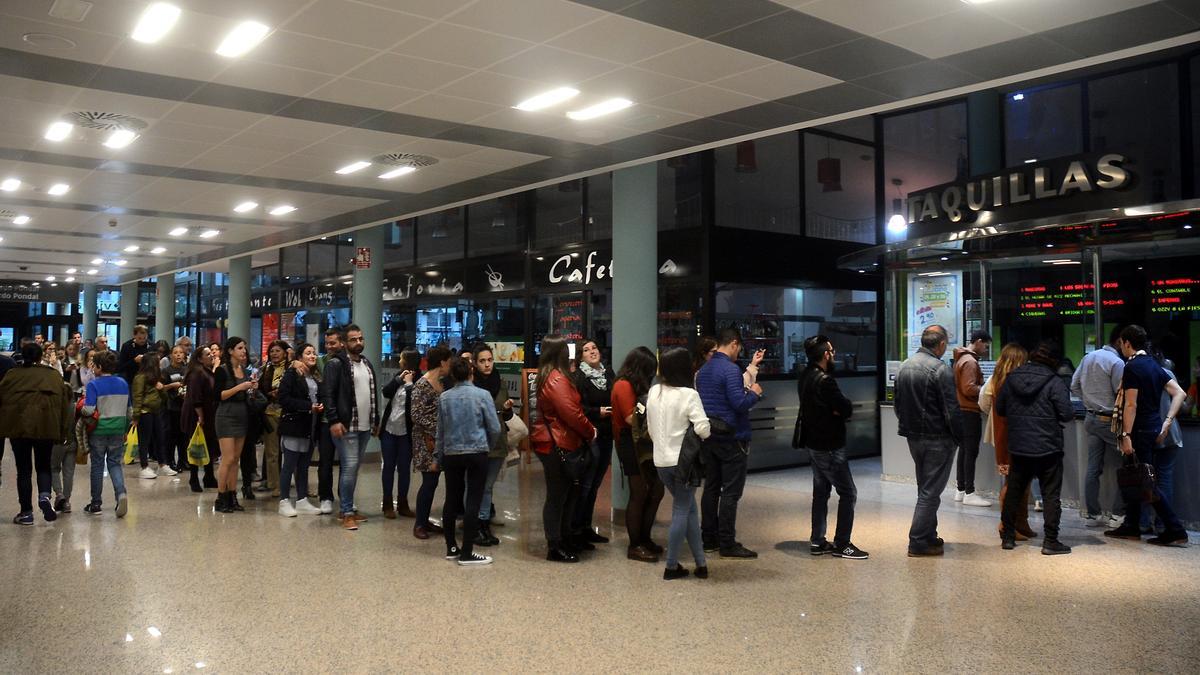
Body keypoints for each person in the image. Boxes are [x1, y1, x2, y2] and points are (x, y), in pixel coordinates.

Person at [1105, 325, 1189, 546]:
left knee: (1146, 481)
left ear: (1127, 343)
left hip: (1138, 430)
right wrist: (1167, 422)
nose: (1121, 347)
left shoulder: (1132, 367)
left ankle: (1175, 529)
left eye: (1122, 343)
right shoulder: (1153, 364)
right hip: (1152, 429)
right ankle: (1131, 525)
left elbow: (1130, 405)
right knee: (1135, 475)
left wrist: (1125, 435)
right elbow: (1180, 392)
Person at [996, 341, 1074, 555]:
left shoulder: (1012, 378)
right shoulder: (1055, 382)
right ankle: (1050, 541)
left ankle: (1008, 537)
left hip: (1019, 446)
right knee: (1050, 495)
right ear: (1053, 361)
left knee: (1014, 491)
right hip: (1048, 447)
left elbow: (1000, 408)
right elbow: (1066, 414)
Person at [894, 325, 964, 557]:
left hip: (913, 437)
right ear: (942, 344)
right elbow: (951, 410)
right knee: (930, 492)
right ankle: (918, 542)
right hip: (938, 438)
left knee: (925, 488)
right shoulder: (940, 369)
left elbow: (898, 405)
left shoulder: (904, 366)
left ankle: (929, 535)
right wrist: (959, 437)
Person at [797, 335, 867, 560]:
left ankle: (817, 541)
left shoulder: (806, 376)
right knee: (848, 492)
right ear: (826, 355)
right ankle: (842, 544)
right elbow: (845, 408)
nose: (834, 354)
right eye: (832, 350)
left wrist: (835, 409)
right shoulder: (826, 381)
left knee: (821, 492)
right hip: (830, 445)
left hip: (814, 444)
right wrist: (838, 409)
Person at [696, 327, 762, 559]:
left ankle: (709, 538)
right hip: (733, 439)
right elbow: (739, 404)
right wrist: (754, 392)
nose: (738, 352)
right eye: (739, 348)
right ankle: (727, 542)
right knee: (731, 492)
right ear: (733, 344)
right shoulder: (731, 369)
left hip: (710, 437)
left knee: (711, 489)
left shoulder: (703, 370)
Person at [647, 347, 712, 580]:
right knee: (682, 510)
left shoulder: (654, 391)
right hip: (683, 463)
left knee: (689, 509)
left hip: (661, 461)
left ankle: (701, 563)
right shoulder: (688, 395)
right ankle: (671, 566)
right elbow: (703, 429)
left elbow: (652, 430)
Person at [532, 335, 597, 563]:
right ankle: (555, 545)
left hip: (557, 442)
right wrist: (591, 431)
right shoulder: (556, 379)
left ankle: (563, 538)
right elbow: (571, 412)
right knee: (559, 496)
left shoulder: (549, 376)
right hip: (557, 443)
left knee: (565, 494)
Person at [435, 355, 501, 566]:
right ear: (472, 372)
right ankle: (467, 552)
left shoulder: (444, 397)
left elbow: (440, 432)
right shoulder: (483, 395)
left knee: (451, 499)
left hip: (452, 453)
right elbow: (495, 427)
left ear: (453, 375)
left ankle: (451, 547)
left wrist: (439, 455)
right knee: (473, 499)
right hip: (477, 452)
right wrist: (488, 445)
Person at [0, 342, 73, 524]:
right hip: (46, 427)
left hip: (19, 427)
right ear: (41, 356)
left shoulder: (12, 375)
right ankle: (44, 497)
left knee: (23, 470)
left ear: (22, 356)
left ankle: (26, 513)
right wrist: (63, 432)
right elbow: (64, 405)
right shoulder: (53, 376)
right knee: (43, 466)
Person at [322, 325, 379, 530]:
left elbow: (372, 394)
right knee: (349, 468)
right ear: (345, 343)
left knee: (353, 470)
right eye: (354, 339)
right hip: (347, 425)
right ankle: (347, 511)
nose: (359, 342)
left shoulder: (366, 363)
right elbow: (327, 394)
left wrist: (375, 421)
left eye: (361, 338)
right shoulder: (336, 364)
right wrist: (334, 420)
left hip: (364, 425)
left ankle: (348, 508)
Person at [612, 346, 665, 563]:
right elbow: (629, 419)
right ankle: (635, 544)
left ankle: (644, 538)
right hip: (629, 443)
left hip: (640, 444)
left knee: (653, 491)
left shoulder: (633, 386)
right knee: (639, 493)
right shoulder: (623, 385)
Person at [1070, 324, 1126, 528]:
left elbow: (1073, 385)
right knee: (1128, 464)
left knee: (1093, 468)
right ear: (1120, 341)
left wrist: (1089, 401)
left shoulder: (1088, 357)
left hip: (1090, 418)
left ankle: (1092, 514)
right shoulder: (1117, 362)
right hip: (1109, 420)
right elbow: (1122, 395)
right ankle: (1117, 514)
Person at [979, 343, 1035, 540]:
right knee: (1014, 483)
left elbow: (983, 403)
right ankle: (1006, 524)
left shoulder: (995, 380)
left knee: (1019, 481)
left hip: (1003, 435)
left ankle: (1021, 522)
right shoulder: (1015, 382)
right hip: (1015, 436)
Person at [570, 338, 614, 548]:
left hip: (607, 434)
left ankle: (587, 527)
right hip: (590, 436)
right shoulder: (579, 377)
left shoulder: (608, 374)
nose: (592, 352)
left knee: (595, 485)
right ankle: (576, 530)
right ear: (581, 357)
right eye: (586, 350)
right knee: (585, 485)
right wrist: (598, 412)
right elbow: (577, 408)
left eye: (594, 347)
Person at [81, 350, 131, 518]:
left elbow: (88, 410)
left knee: (97, 465)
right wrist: (125, 430)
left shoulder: (93, 385)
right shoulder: (123, 383)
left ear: (100, 367)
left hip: (99, 430)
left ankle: (96, 503)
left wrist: (79, 407)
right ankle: (121, 494)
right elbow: (129, 411)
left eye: (94, 365)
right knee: (115, 463)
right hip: (118, 428)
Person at [276, 342, 324, 517]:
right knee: (289, 464)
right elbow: (283, 398)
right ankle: (284, 500)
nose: (312, 356)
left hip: (309, 426)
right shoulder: (292, 374)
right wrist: (308, 406)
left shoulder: (316, 376)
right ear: (299, 357)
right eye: (308, 353)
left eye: (314, 353)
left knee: (304, 465)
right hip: (293, 425)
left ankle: (302, 499)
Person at [471, 343, 512, 546]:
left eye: (489, 360)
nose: (487, 365)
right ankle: (477, 523)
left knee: (487, 486)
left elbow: (507, 416)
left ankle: (483, 522)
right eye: (482, 361)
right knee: (479, 485)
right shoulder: (471, 385)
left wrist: (507, 409)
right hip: (478, 440)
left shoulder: (500, 381)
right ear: (475, 364)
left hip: (498, 440)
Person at [411, 346, 451, 538]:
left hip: (438, 441)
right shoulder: (422, 384)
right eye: (448, 361)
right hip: (426, 441)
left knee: (433, 482)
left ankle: (424, 519)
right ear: (442, 362)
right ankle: (419, 523)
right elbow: (416, 415)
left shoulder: (443, 384)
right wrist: (437, 429)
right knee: (428, 481)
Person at [213, 337, 255, 514]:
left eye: (244, 348)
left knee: (236, 459)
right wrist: (239, 388)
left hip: (241, 415)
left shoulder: (244, 370)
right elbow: (219, 395)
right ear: (230, 351)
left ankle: (232, 495)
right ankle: (220, 496)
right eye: (239, 348)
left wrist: (251, 388)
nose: (243, 351)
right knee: (228, 458)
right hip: (226, 416)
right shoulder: (222, 371)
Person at [1144, 349, 1183, 535]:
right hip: (1170, 435)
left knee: (1144, 479)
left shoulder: (1141, 373)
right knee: (1164, 479)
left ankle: (1143, 522)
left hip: (1149, 433)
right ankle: (1163, 524)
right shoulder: (1167, 373)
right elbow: (1180, 400)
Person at [952, 330, 992, 507]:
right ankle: (969, 492)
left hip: (961, 410)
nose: (986, 349)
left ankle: (961, 490)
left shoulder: (962, 358)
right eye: (986, 345)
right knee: (971, 452)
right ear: (979, 341)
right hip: (968, 411)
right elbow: (969, 388)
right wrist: (986, 389)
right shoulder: (970, 362)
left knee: (964, 450)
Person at [380, 348, 419, 519]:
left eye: (402, 359)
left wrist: (410, 385)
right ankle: (387, 504)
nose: (399, 361)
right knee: (388, 467)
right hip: (389, 429)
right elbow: (386, 392)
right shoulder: (399, 375)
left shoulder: (420, 380)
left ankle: (403, 504)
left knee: (404, 469)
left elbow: (416, 404)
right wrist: (398, 379)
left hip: (406, 433)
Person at [182, 346, 219, 493]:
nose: (211, 356)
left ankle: (209, 476)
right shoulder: (197, 373)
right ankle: (194, 477)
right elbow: (195, 397)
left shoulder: (207, 371)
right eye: (208, 354)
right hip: (196, 414)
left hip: (208, 413)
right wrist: (200, 415)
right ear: (199, 358)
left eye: (212, 353)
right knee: (196, 445)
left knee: (209, 444)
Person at [256, 340, 290, 498]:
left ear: (285, 352)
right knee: (272, 453)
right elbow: (259, 390)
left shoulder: (292, 368)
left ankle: (296, 484)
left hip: (289, 414)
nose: (274, 354)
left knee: (293, 451)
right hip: (270, 414)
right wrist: (268, 394)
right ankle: (274, 485)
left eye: (278, 351)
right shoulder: (265, 369)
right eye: (272, 351)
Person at [130, 354, 173, 479]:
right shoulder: (140, 378)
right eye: (157, 362)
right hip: (144, 412)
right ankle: (144, 466)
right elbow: (137, 398)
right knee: (145, 441)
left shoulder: (157, 378)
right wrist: (136, 416)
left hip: (156, 411)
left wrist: (161, 389)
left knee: (160, 438)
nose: (160, 364)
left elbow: (164, 397)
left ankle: (162, 464)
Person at [315, 329, 343, 514]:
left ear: (341, 343)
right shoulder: (321, 361)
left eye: (333, 343)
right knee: (325, 462)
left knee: (347, 463)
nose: (329, 346)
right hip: (326, 420)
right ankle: (325, 497)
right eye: (327, 343)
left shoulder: (349, 362)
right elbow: (300, 360)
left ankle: (345, 497)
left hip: (345, 420)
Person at [160, 345, 187, 472]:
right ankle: (170, 460)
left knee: (183, 436)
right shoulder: (166, 371)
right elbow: (161, 388)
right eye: (175, 352)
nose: (178, 355)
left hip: (184, 406)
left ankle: (183, 460)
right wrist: (172, 385)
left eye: (181, 353)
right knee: (171, 436)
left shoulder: (187, 370)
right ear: (171, 355)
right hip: (171, 407)